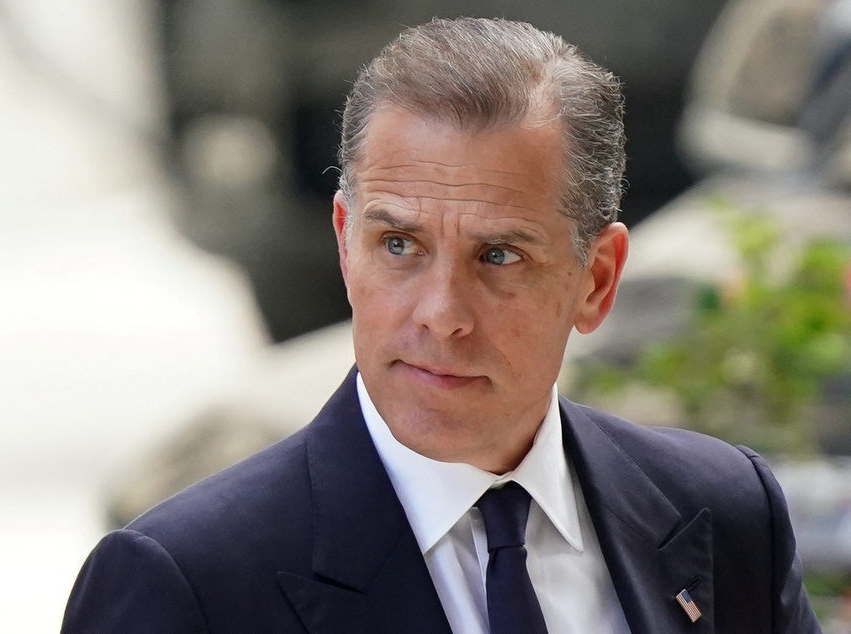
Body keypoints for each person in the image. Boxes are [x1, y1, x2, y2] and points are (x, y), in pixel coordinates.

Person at [62, 17, 822, 633]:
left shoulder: (725, 514)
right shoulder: (188, 581)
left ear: (596, 280)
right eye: (398, 246)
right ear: (344, 247)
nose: (441, 314)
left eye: (498, 255)